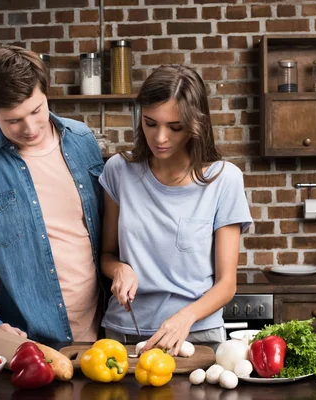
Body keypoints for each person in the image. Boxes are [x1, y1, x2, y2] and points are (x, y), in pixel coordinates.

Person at [0, 45, 104, 343]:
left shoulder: (83, 140)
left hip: (107, 332)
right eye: (13, 120)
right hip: (30, 343)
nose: (30, 128)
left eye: (36, 110)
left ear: (46, 93)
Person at [99, 65, 252, 355]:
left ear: (196, 125)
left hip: (197, 335)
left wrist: (185, 318)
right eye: (150, 123)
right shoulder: (119, 171)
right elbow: (106, 255)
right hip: (125, 333)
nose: (159, 138)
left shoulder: (224, 179)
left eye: (175, 127)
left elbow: (226, 284)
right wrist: (119, 269)